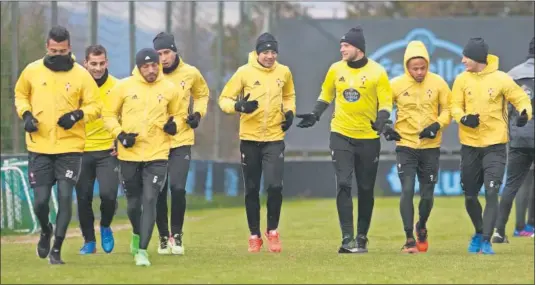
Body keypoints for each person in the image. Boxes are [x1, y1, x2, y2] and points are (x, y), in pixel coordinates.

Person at [296, 26, 393, 254]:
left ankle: (362, 237)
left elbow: (386, 102)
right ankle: (347, 237)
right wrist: (315, 114)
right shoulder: (335, 69)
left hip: (368, 138)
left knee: (366, 188)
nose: (342, 49)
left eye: (346, 45)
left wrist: (381, 120)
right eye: (341, 45)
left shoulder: (378, 72)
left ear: (358, 48)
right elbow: (326, 94)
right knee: (344, 183)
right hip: (340, 134)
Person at [14, 25, 100, 264]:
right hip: (39, 147)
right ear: (47, 47)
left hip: (70, 148)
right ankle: (45, 230)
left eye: (62, 51)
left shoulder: (81, 75)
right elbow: (20, 95)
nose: (57, 54)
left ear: (69, 49)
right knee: (41, 202)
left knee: (64, 197)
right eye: (53, 50)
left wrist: (77, 115)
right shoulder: (32, 71)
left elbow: (95, 106)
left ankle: (57, 250)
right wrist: (27, 115)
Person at [450, 37, 532, 254]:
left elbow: (521, 99)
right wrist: (464, 118)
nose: (462, 60)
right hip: (469, 145)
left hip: (495, 146)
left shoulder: (501, 79)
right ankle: (479, 232)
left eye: (466, 57)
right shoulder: (461, 80)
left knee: (492, 192)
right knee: (469, 195)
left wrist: (525, 113)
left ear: (477, 58)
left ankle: (486, 240)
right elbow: (454, 107)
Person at [218, 32, 296, 253]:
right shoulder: (244, 72)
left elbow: (289, 95)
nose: (270, 56)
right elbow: (224, 99)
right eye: (266, 52)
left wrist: (289, 112)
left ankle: (272, 231)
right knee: (252, 188)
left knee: (275, 186)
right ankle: (254, 235)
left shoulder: (284, 72)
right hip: (250, 139)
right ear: (258, 53)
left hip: (274, 138)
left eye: (273, 52)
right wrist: (239, 107)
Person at [103, 48, 181, 266]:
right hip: (129, 155)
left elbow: (178, 115)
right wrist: (120, 135)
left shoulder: (169, 89)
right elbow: (108, 115)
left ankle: (142, 251)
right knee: (134, 205)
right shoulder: (124, 87)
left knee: (150, 200)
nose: (151, 69)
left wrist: (173, 126)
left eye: (154, 65)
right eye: (146, 66)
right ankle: (137, 234)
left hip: (157, 154)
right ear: (138, 67)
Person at [383, 40, 451, 253]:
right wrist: (386, 126)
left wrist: (437, 125)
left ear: (428, 65)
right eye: (415, 68)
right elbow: (383, 107)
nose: (419, 72)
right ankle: (409, 239)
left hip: (431, 146)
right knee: (407, 189)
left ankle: (421, 226)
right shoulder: (395, 84)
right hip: (406, 145)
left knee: (428, 195)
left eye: (423, 68)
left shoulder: (439, 83)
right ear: (407, 66)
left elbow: (449, 110)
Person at [152, 32, 209, 255]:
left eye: (167, 52)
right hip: (156, 141)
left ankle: (177, 235)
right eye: (159, 54)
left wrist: (198, 114)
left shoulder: (191, 73)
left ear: (175, 51)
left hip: (182, 139)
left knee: (177, 188)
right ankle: (163, 237)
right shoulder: (148, 73)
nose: (163, 58)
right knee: (158, 190)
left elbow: (203, 94)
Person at [75, 44, 120, 255]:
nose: (98, 68)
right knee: (83, 197)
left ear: (107, 62)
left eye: (102, 63)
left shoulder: (118, 86)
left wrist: (120, 140)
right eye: (93, 63)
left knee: (109, 195)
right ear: (85, 63)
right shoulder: (76, 85)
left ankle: (105, 226)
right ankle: (89, 241)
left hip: (108, 151)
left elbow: (126, 115)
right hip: (81, 150)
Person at [492, 37, 535, 243]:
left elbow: (503, 109)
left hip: (519, 138)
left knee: (511, 185)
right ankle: (526, 226)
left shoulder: (513, 75)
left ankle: (499, 231)